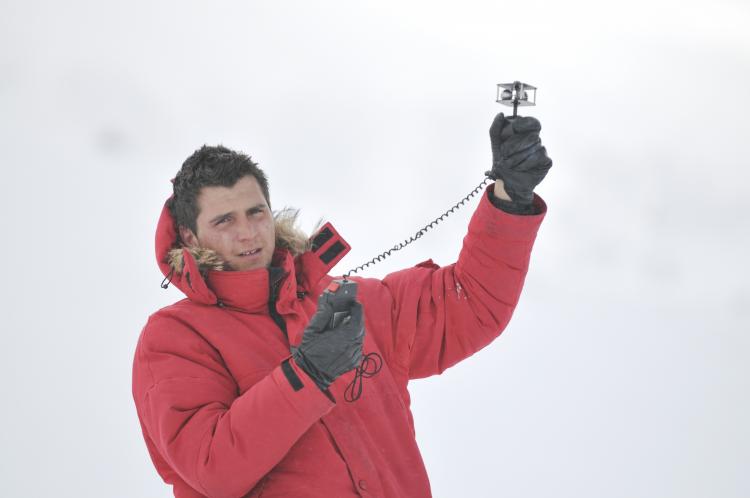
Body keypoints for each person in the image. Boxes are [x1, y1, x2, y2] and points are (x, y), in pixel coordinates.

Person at [132, 112, 552, 498]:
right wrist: (307, 376)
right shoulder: (174, 338)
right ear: (189, 237)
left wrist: (509, 198)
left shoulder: (348, 301)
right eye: (224, 220)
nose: (247, 233)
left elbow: (471, 302)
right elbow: (212, 467)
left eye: (255, 212)